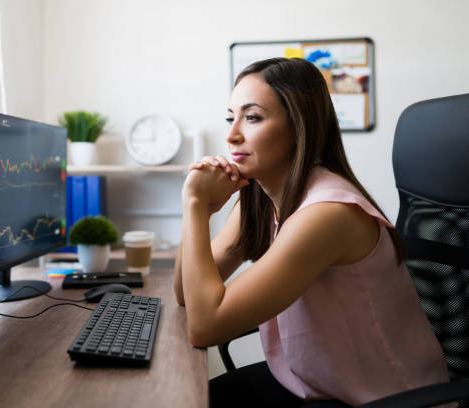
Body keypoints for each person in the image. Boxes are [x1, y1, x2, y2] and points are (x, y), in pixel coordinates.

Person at [173, 57, 451, 407]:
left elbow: (205, 326)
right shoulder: (259, 200)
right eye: (232, 117)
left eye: (253, 117)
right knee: (189, 398)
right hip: (311, 382)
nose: (231, 135)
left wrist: (195, 206)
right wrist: (202, 209)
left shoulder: (327, 215)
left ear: (297, 127)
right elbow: (185, 292)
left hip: (381, 399)